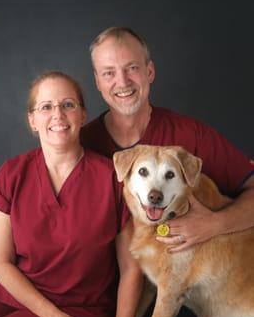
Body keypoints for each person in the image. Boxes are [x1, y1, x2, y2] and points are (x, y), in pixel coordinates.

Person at [0, 71, 143, 317]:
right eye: (46, 107)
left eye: (68, 104)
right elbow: (1, 264)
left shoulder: (113, 180)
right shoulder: (11, 174)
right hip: (12, 295)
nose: (57, 114)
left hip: (77, 310)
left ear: (83, 114)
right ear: (32, 120)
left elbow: (130, 268)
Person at [81, 26, 254, 252]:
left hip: (185, 277)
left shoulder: (191, 135)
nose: (122, 82)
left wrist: (214, 224)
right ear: (97, 81)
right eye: (109, 73)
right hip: (108, 284)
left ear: (149, 71)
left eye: (132, 68)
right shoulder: (82, 144)